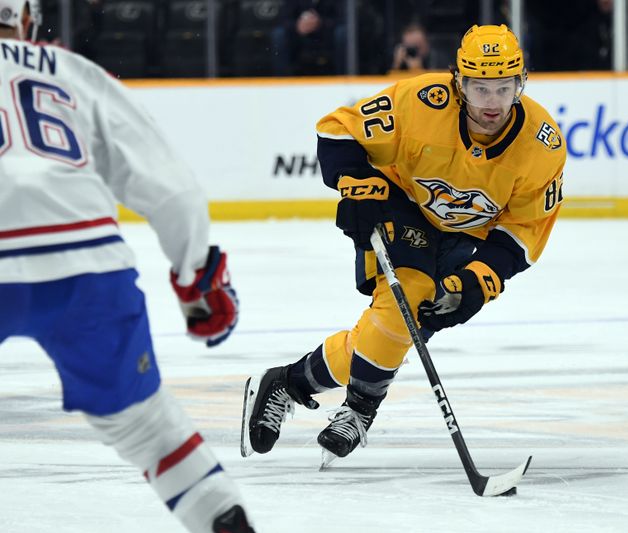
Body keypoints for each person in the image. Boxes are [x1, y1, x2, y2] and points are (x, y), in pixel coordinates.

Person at [240, 24, 565, 464]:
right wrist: (358, 185)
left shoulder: (542, 148)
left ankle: (288, 382)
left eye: (503, 88)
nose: (492, 103)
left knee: (393, 334)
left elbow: (524, 231)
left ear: (520, 84)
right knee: (406, 297)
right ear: (458, 82)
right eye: (480, 88)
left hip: (465, 237)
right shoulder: (420, 102)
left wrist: (477, 282)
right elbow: (338, 130)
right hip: (402, 207)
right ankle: (359, 411)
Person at [0, 2, 254, 532]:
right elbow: (174, 189)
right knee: (148, 431)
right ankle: (219, 518)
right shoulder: (73, 72)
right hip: (87, 262)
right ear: (26, 20)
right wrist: (195, 278)